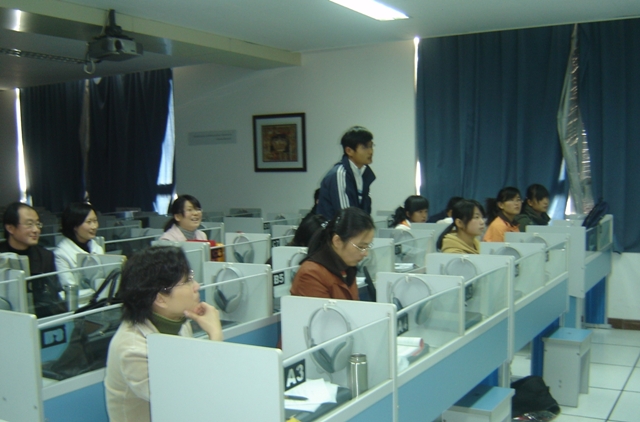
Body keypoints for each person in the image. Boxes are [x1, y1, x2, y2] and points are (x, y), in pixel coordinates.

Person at [104, 246, 223, 422]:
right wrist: (215, 335)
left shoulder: (178, 322)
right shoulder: (132, 349)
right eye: (188, 281)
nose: (196, 286)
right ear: (160, 298)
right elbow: (188, 399)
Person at [291, 207, 374, 300]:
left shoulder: (347, 268)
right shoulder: (311, 275)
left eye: (367, 247)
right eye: (361, 247)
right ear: (337, 241)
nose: (365, 253)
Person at [0, 202, 66, 317]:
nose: (36, 230)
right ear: (10, 228)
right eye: (29, 224)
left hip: (39, 317)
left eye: (37, 224)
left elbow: (52, 297)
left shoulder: (45, 256)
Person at [316, 126, 376, 220]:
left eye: (371, 146)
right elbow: (346, 218)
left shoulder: (364, 174)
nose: (370, 151)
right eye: (364, 147)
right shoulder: (339, 174)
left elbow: (365, 213)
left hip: (354, 228)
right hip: (335, 229)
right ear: (349, 151)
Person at [54, 202, 105, 288]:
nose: (94, 226)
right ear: (74, 226)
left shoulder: (97, 247)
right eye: (89, 222)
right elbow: (69, 286)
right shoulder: (61, 254)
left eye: (95, 221)